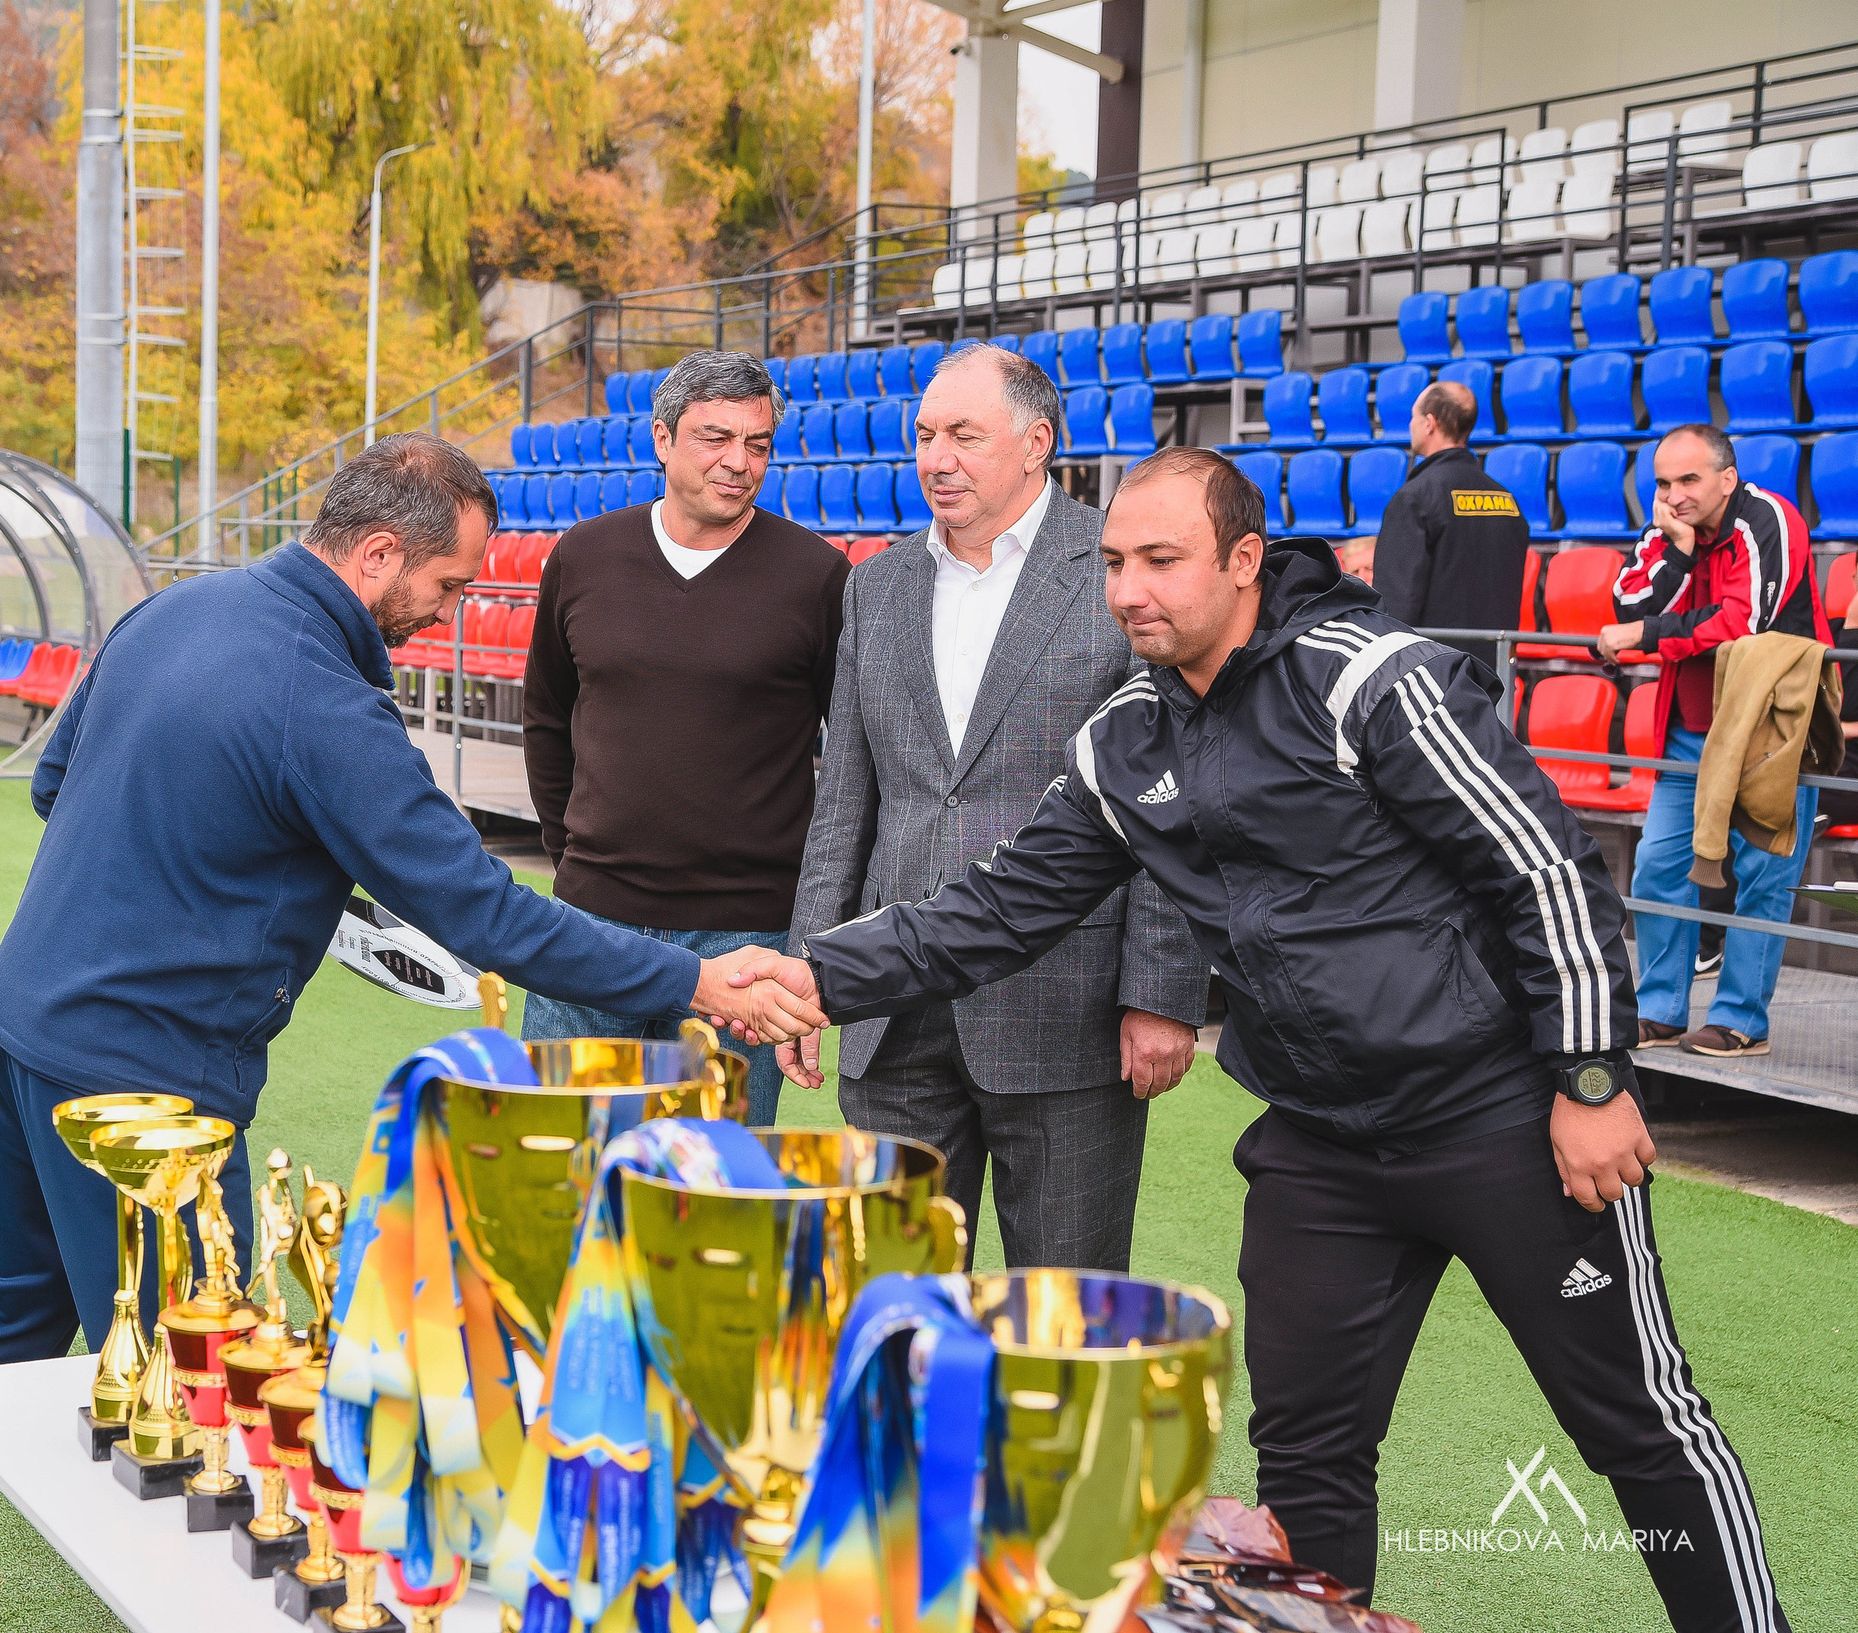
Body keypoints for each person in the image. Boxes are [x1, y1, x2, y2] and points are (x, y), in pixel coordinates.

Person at [738, 447, 1785, 1633]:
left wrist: (1590, 1077)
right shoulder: (1124, 739)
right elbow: (998, 908)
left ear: (1242, 561)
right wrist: (819, 972)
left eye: (1160, 561)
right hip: (1321, 1142)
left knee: (1638, 1427)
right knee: (1305, 1451)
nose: (1128, 588)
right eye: (1115, 563)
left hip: (1497, 1116)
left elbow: (1545, 873)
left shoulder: (1373, 681)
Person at [0, 433, 821, 1633]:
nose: (448, 615)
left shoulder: (174, 608)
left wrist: (275, 877)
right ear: (372, 553)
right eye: (445, 585)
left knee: (8, 1298)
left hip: (18, 1021)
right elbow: (483, 911)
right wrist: (698, 980)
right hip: (144, 1081)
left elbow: (59, 787)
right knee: (197, 1397)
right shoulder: (327, 701)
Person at [784, 343, 1206, 1270]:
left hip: (1067, 1011)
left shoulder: (1117, 572)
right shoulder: (876, 585)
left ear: (1035, 443)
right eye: (926, 433)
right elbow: (846, 798)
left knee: (1062, 1312)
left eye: (965, 435)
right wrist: (810, 972)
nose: (937, 456)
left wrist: (1161, 992)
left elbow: (1169, 802)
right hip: (892, 1013)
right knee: (889, 1305)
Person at [521, 350, 850, 1122]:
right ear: (663, 439)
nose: (739, 462)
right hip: (590, 921)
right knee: (564, 1167)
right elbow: (547, 715)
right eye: (715, 437)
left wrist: (810, 924)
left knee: (709, 1190)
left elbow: (851, 754)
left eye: (758, 443)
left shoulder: (815, 575)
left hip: (748, 934)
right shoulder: (582, 557)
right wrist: (574, 858)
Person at [1599, 424, 1828, 1061]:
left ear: (1727, 479)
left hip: (1769, 728)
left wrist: (1646, 636)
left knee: (1763, 875)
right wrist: (1674, 550)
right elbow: (1624, 599)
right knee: (1658, 867)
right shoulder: (1668, 527)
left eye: (1689, 481)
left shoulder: (1770, 520)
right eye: (1663, 483)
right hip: (1687, 728)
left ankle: (1741, 1020)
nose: (1674, 496)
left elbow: (1742, 624)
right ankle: (1660, 1009)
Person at [1369, 379, 1528, 643]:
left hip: (1438, 669)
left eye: (1414, 417)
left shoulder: (1414, 498)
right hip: (1493, 669)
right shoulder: (1506, 499)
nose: (1411, 425)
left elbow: (1395, 606)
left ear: (1429, 423)